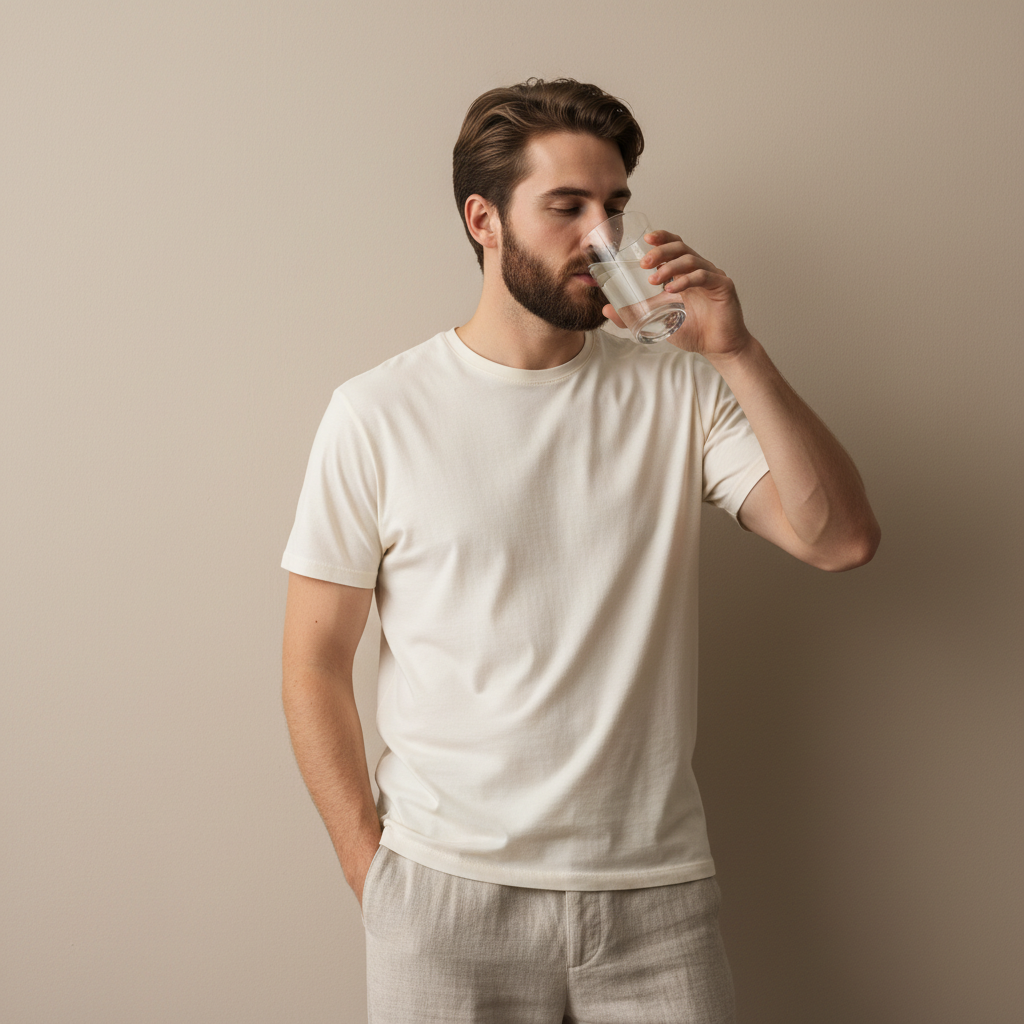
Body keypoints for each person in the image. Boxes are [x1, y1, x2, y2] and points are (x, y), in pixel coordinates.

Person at [280, 78, 880, 1023]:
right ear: (485, 219)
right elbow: (313, 660)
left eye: (615, 207)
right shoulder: (377, 413)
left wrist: (736, 350)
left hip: (656, 898)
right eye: (566, 207)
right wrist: (376, 876)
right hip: (445, 896)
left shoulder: (678, 392)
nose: (602, 236)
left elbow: (841, 540)